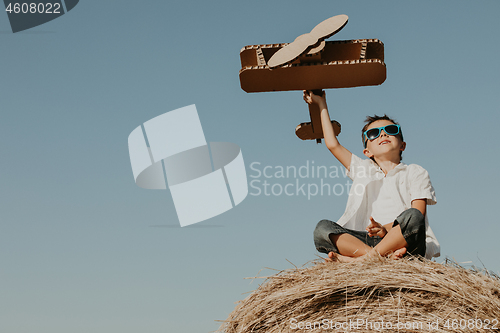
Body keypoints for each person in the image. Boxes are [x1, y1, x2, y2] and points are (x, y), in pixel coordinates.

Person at [304, 90, 439, 263]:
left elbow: (419, 213)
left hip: (402, 241)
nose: (383, 134)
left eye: (390, 130)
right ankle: (380, 258)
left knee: (412, 217)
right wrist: (321, 103)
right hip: (366, 239)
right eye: (373, 134)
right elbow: (332, 144)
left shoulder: (415, 171)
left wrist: (385, 228)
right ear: (367, 152)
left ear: (402, 145)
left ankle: (361, 261)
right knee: (323, 229)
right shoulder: (362, 169)